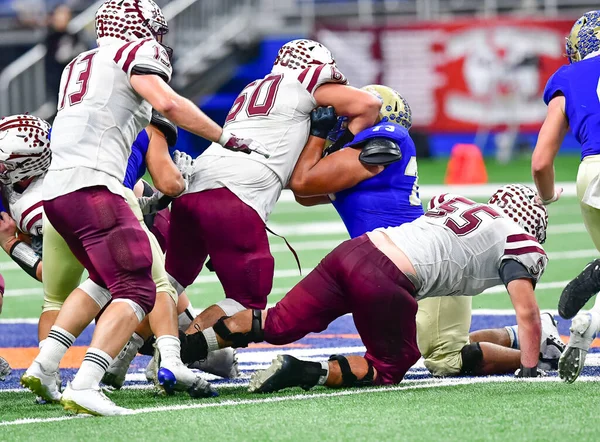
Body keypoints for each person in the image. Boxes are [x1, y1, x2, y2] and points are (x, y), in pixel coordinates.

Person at [21, 0, 250, 416]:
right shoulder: (133, 53)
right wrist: (225, 137)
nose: (159, 39)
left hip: (56, 193)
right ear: (136, 27)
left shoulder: (80, 63)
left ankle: (46, 364)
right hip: (96, 189)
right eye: (152, 29)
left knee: (100, 280)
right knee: (139, 288)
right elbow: (169, 102)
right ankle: (88, 382)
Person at [290, 86, 563, 378]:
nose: (343, 123)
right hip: (396, 266)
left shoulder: (375, 156)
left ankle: (536, 354)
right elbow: (304, 190)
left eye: (350, 117)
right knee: (426, 346)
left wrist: (319, 137)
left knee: (446, 360)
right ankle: (519, 335)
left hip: (424, 266)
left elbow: (304, 183)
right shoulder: (359, 168)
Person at [179, 184, 549, 392]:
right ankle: (302, 371)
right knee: (390, 366)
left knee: (276, 323)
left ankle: (181, 350)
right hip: (387, 278)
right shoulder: (518, 240)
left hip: (354, 251)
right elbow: (528, 313)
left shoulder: (456, 202)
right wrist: (531, 369)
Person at [164, 39, 381, 347]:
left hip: (195, 185)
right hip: (236, 196)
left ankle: (124, 352)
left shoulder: (254, 87)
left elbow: (289, 171)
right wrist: (345, 143)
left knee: (166, 284)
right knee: (246, 301)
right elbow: (368, 104)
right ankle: (180, 354)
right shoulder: (303, 81)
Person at [531, 10, 600, 383]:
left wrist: (546, 197)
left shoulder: (567, 77)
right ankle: (592, 315)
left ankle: (588, 318)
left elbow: (541, 161)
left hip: (590, 172)